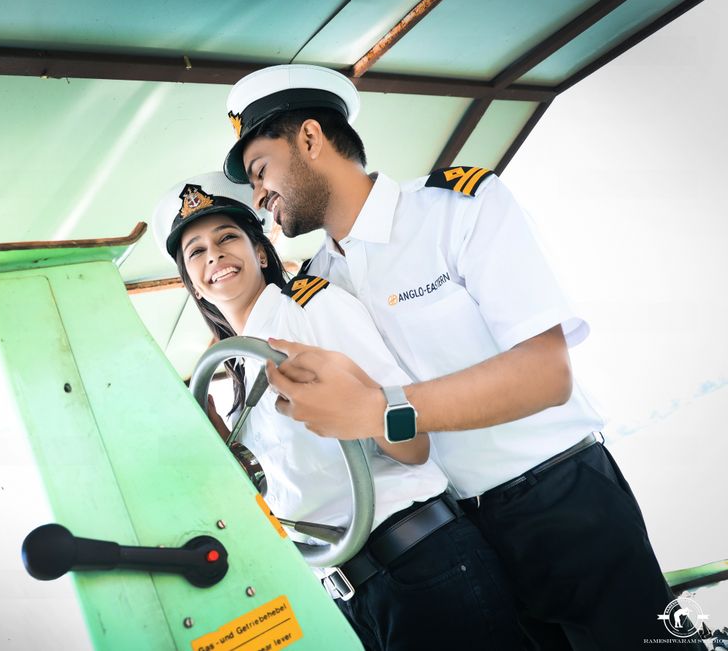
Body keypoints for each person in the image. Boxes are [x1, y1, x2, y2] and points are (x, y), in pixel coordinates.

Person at [219, 63, 694, 649]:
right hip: (461, 538)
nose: (260, 195)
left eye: (262, 170)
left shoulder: (458, 208)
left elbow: (546, 374)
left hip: (562, 500)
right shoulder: (318, 286)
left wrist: (380, 410)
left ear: (311, 139)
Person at [152, 171, 528, 650]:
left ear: (261, 252)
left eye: (227, 237)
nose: (215, 256)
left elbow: (414, 444)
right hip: (347, 601)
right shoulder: (233, 381)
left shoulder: (313, 307)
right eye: (197, 252)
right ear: (194, 286)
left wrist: (363, 406)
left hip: (421, 563)